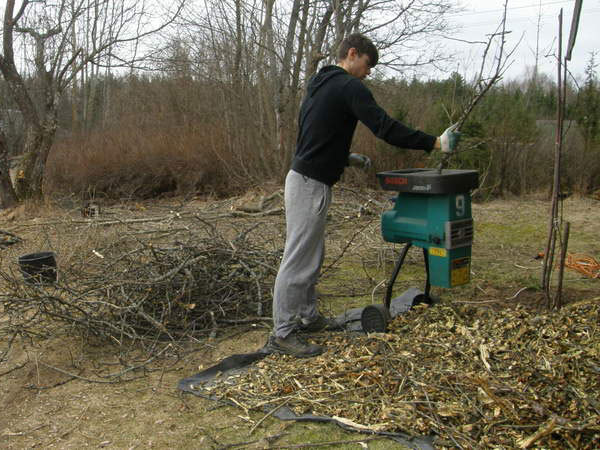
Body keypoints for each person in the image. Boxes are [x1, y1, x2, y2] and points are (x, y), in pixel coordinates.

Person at [267, 33, 460, 358]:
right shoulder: (347, 86)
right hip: (308, 183)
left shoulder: (320, 83)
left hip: (305, 179)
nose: (369, 73)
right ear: (352, 54)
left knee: (311, 257)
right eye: (368, 65)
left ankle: (307, 317)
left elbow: (316, 133)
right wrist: (434, 142)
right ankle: (283, 332)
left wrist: (346, 157)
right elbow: (385, 127)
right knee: (298, 258)